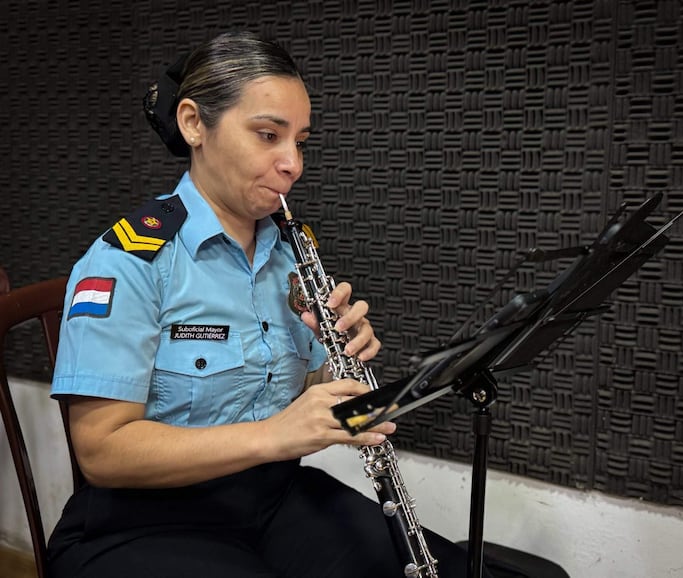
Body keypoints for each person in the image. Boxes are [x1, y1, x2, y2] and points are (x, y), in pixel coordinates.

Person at [48, 30, 484, 578]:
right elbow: (101, 452)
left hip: (271, 499)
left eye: (300, 141)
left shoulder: (291, 255)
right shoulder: (129, 260)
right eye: (268, 135)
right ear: (193, 124)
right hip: (140, 522)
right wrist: (275, 435)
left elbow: (293, 391)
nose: (292, 163)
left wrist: (338, 372)